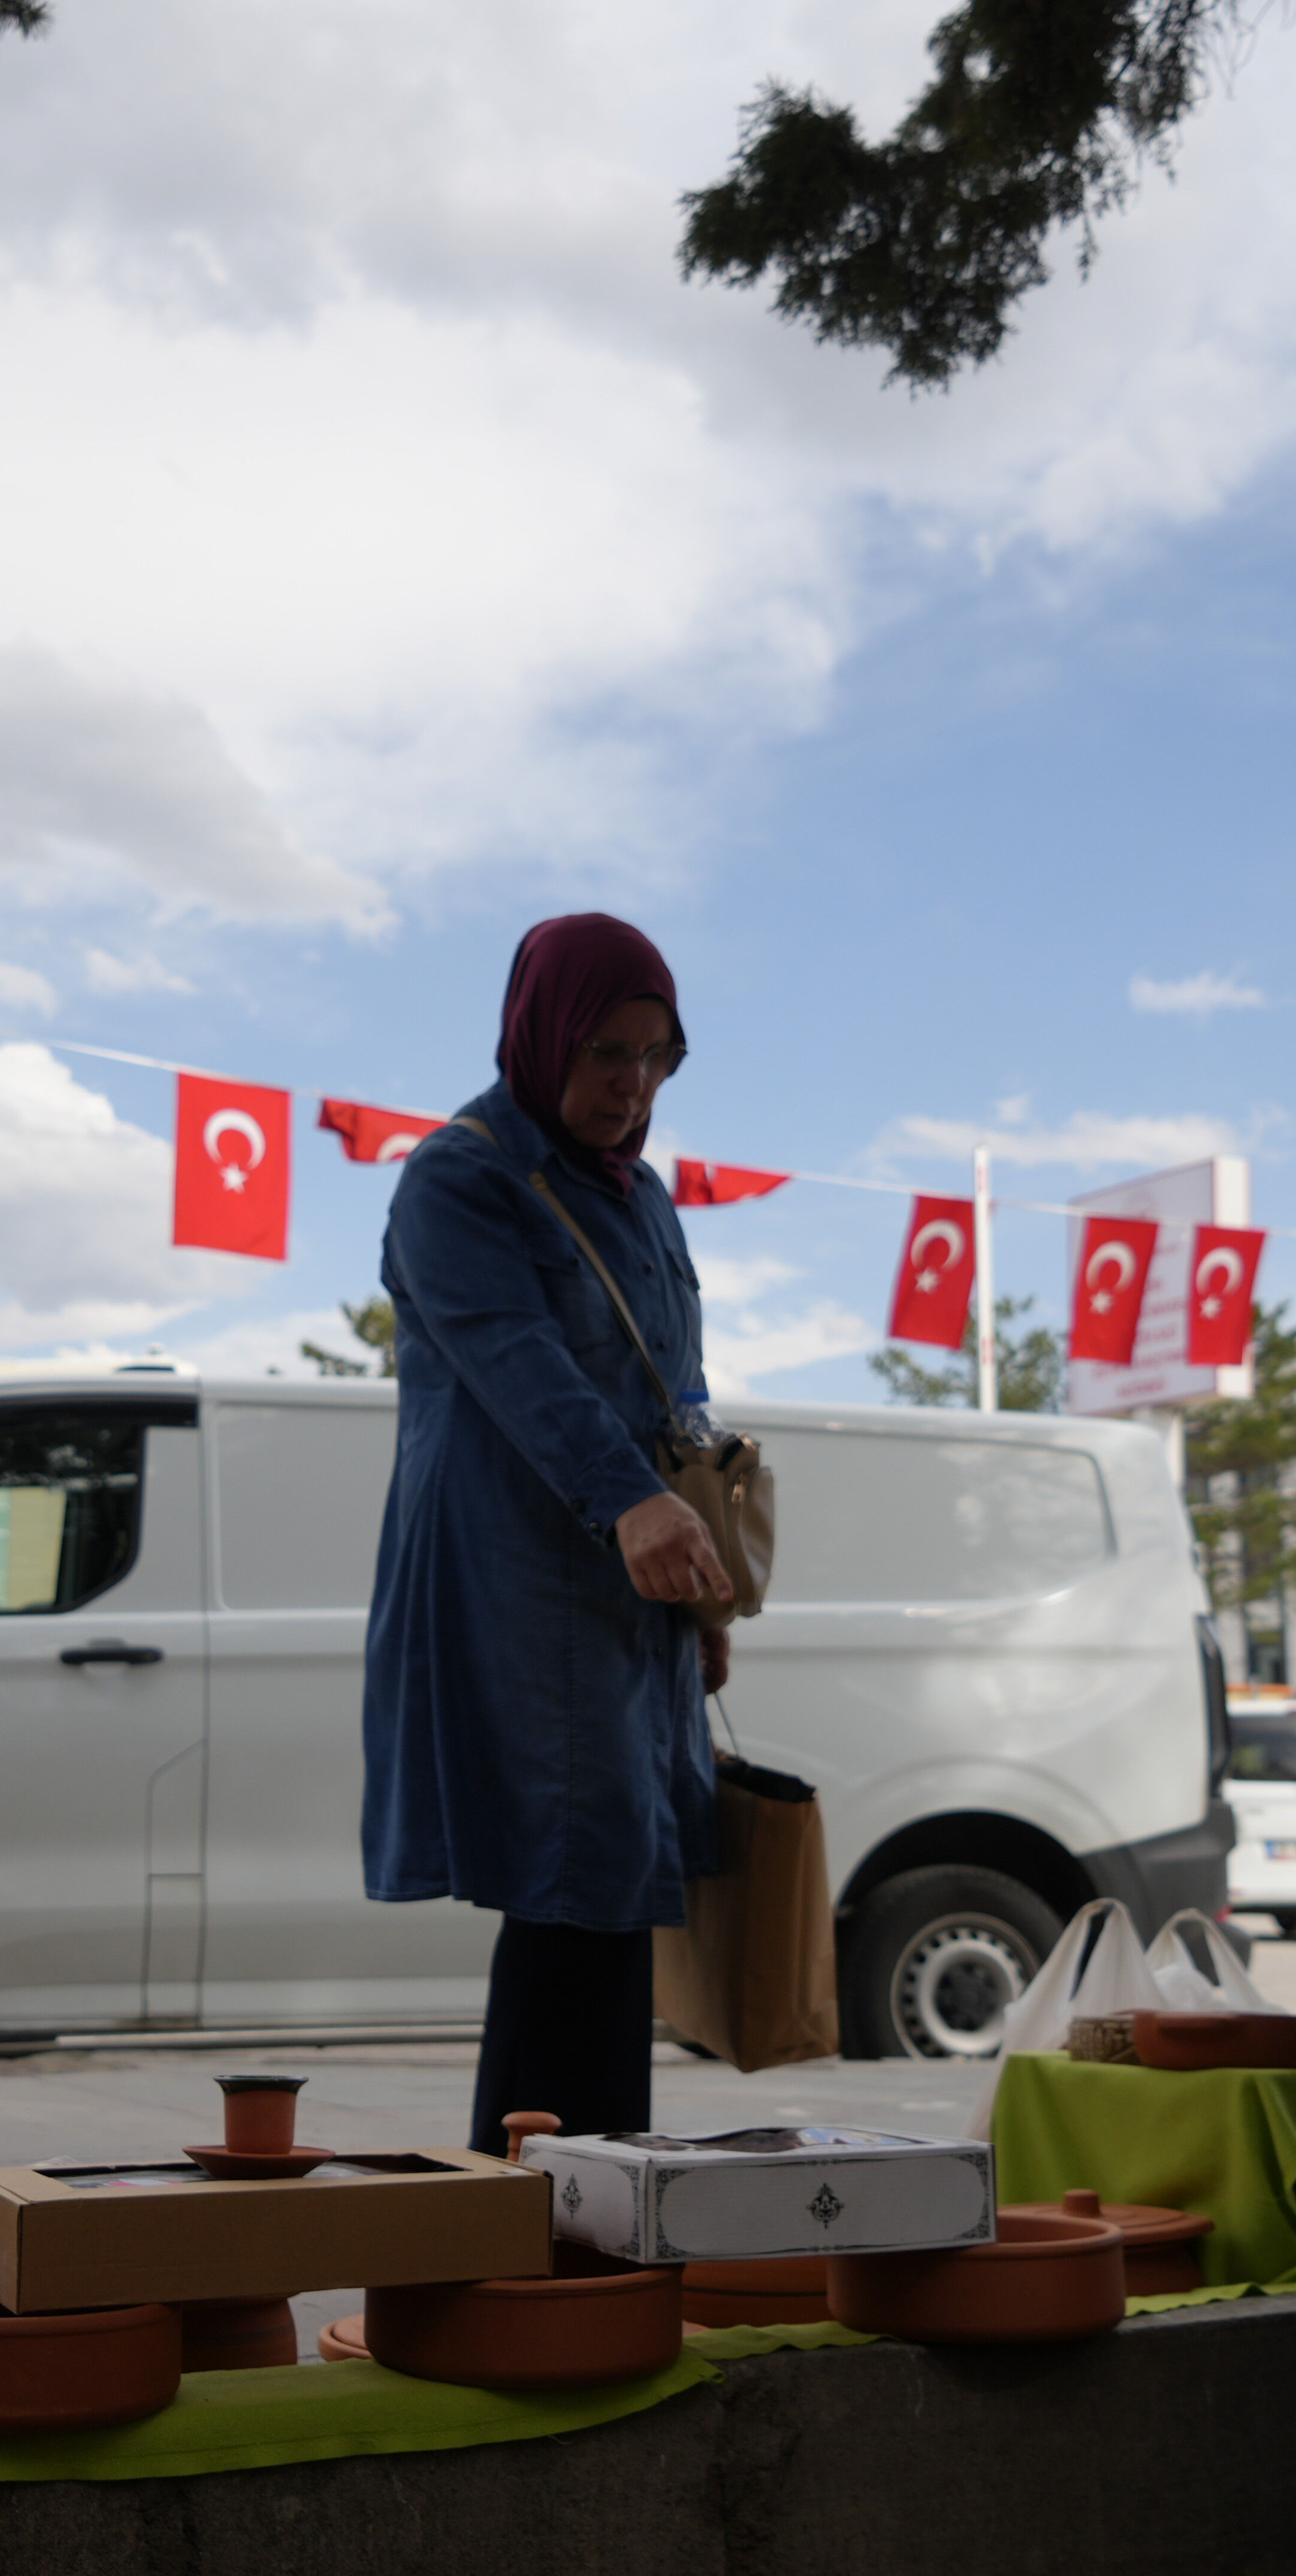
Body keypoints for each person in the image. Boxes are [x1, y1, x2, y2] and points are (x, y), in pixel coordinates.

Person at [363, 914, 732, 2153]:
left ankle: (599, 2219)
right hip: (518, 1586)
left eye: (657, 1056)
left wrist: (700, 1589)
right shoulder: (460, 1180)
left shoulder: (649, 1201)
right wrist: (632, 1504)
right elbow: (522, 1367)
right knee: (566, 1889)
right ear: (537, 1035)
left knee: (615, 1895)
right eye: (605, 1051)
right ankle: (526, 2242)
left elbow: (675, 1400)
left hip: (636, 1595)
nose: (631, 1084)